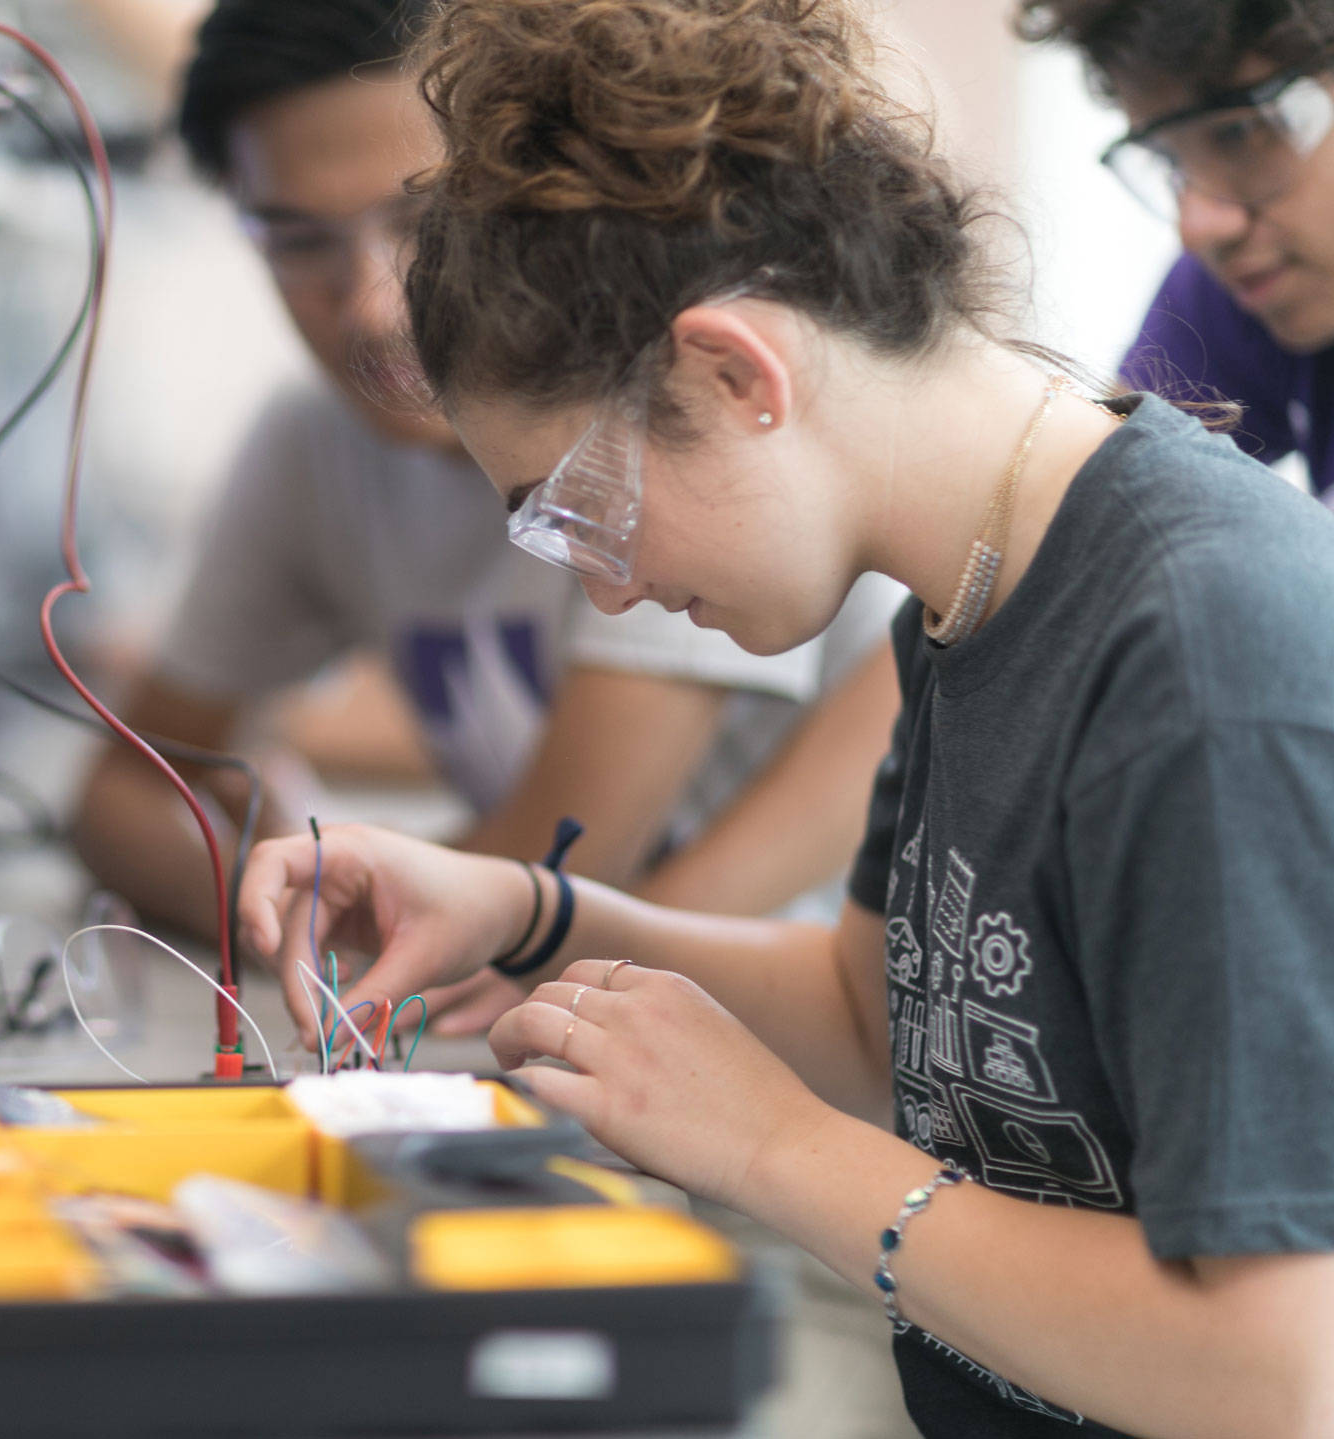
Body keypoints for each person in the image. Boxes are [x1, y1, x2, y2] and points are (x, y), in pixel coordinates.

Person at [238, 0, 1334, 1434]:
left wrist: (764, 1145)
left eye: (581, 505)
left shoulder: (1204, 654)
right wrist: (524, 909)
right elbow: (882, 1020)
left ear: (735, 371)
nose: (610, 591)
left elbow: (1273, 1369)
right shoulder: (977, 588)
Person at [70, 0, 905, 1037]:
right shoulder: (311, 443)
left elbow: (550, 865)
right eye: (295, 242)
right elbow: (122, 788)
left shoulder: (660, 408)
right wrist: (280, 895)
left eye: (420, 224)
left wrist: (316, 899)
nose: (371, 307)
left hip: (794, 1050)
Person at [1019, 0, 1334, 492]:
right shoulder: (1239, 293)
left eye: (1239, 134)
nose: (1197, 227)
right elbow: (1087, 500)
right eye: (1171, 162)